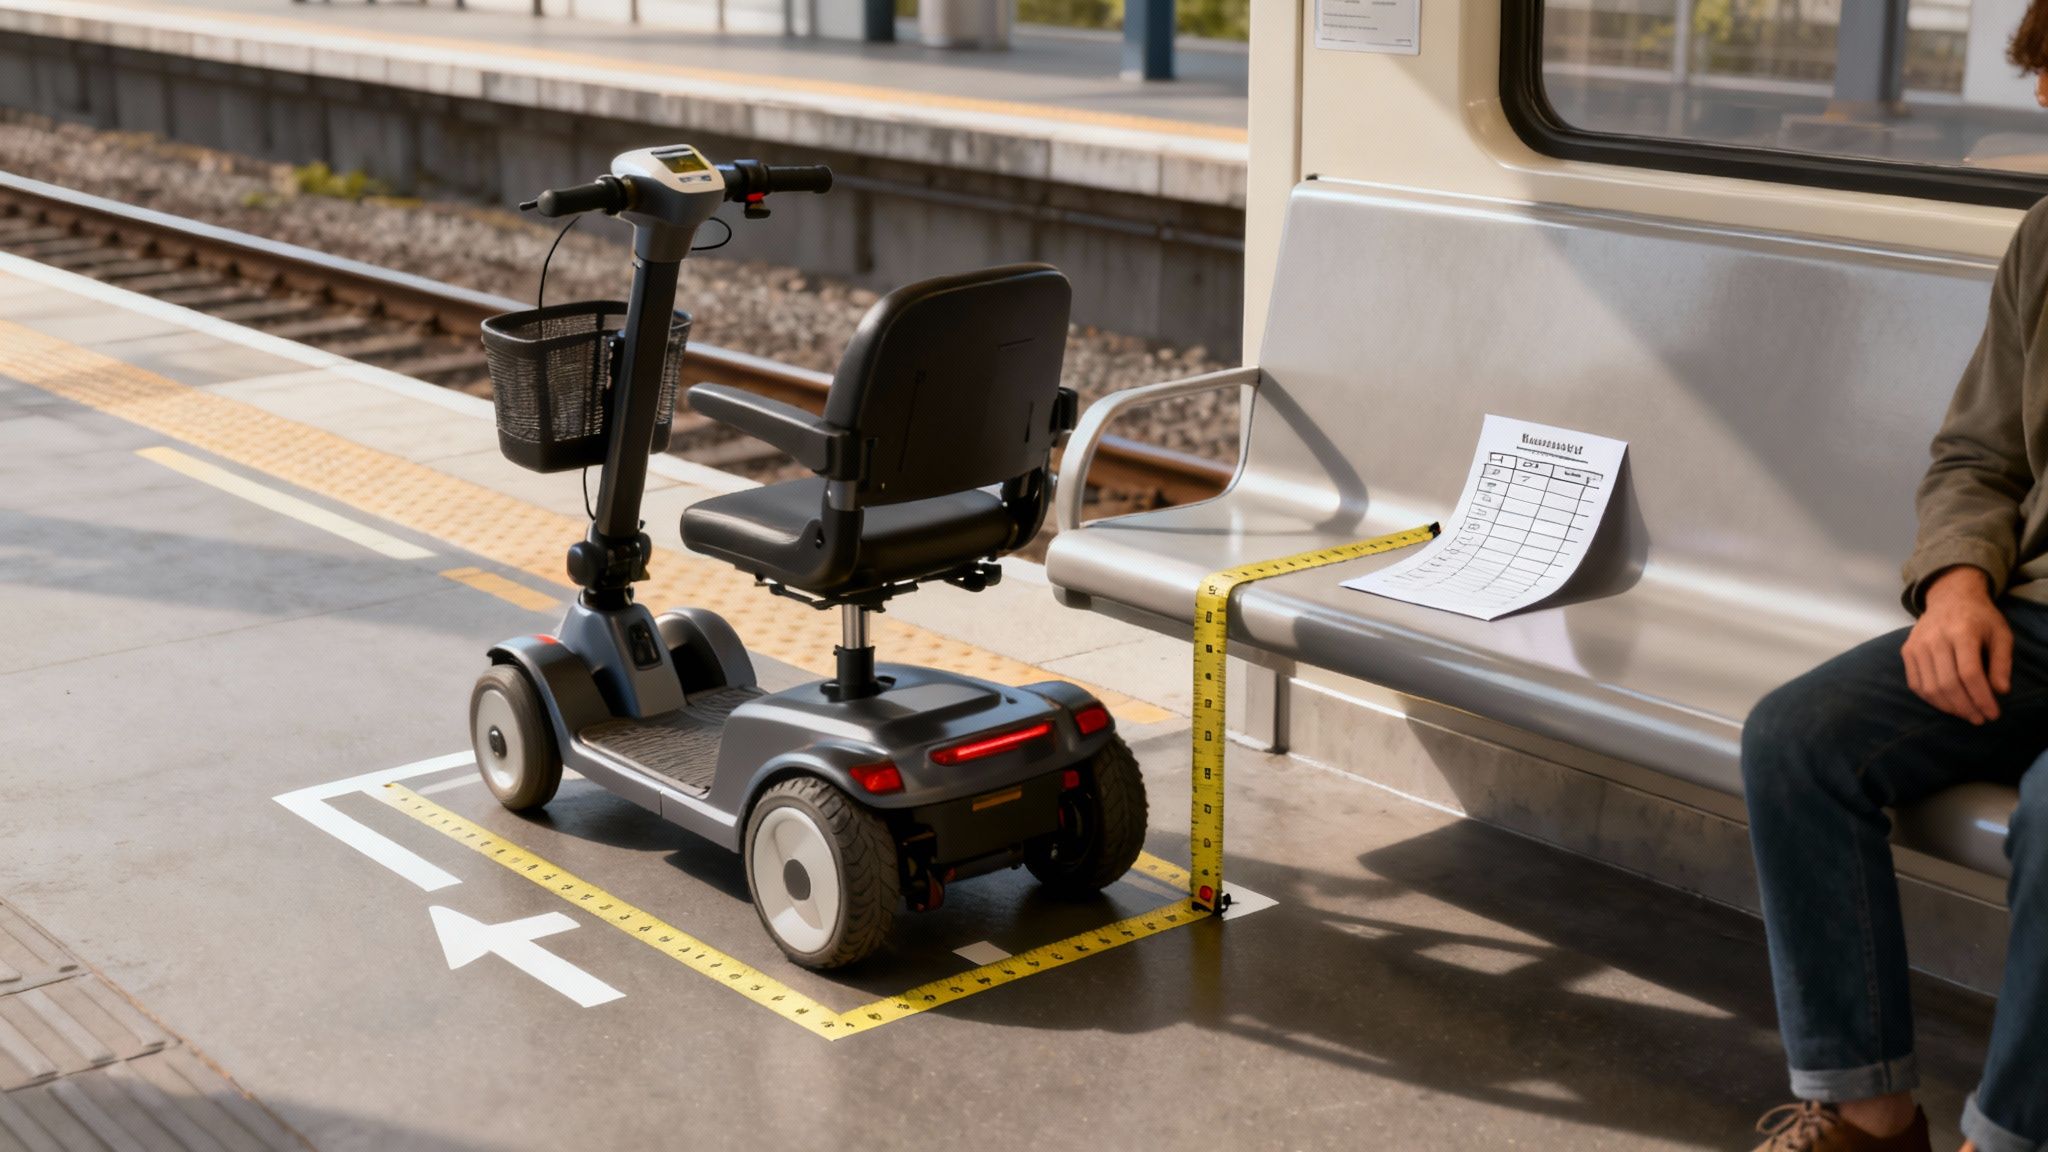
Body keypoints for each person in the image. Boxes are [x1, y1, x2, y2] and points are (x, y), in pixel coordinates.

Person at [1739, 9, 2048, 1152]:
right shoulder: (2045, 240)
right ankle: (1868, 1116)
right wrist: (1958, 584)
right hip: (2029, 617)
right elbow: (1977, 455)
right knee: (1795, 737)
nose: (2043, 106)